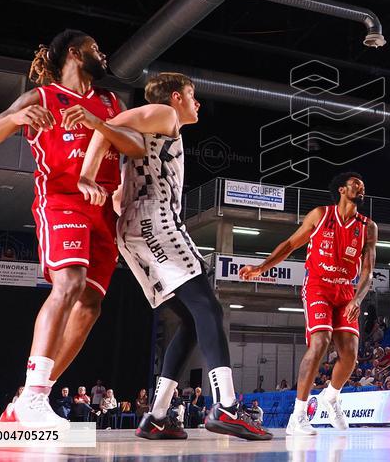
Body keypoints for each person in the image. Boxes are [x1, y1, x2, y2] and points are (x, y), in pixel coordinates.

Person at [79, 72, 270, 441]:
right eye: (193, 95)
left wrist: (123, 198)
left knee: (191, 319)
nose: (197, 103)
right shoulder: (165, 115)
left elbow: (121, 165)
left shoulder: (155, 133)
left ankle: (158, 415)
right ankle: (227, 407)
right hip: (156, 221)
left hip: (138, 228)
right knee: (208, 309)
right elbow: (106, 127)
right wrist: (87, 176)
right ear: (177, 96)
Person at [0, 30, 132, 429]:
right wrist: (13, 118)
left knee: (91, 305)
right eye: (97, 48)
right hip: (61, 200)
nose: (104, 53)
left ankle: (29, 398)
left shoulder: (112, 102)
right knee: (69, 285)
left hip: (105, 208)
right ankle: (34, 397)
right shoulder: (42, 97)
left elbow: (133, 147)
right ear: (76, 54)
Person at [240, 172, 378, 436]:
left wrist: (358, 299)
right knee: (321, 341)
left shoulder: (367, 226)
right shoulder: (320, 215)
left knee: (350, 356)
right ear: (341, 189)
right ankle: (298, 415)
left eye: (363, 185)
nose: (361, 188)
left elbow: (369, 272)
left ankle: (331, 396)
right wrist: (261, 268)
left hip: (346, 290)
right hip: (318, 285)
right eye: (355, 184)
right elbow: (290, 244)